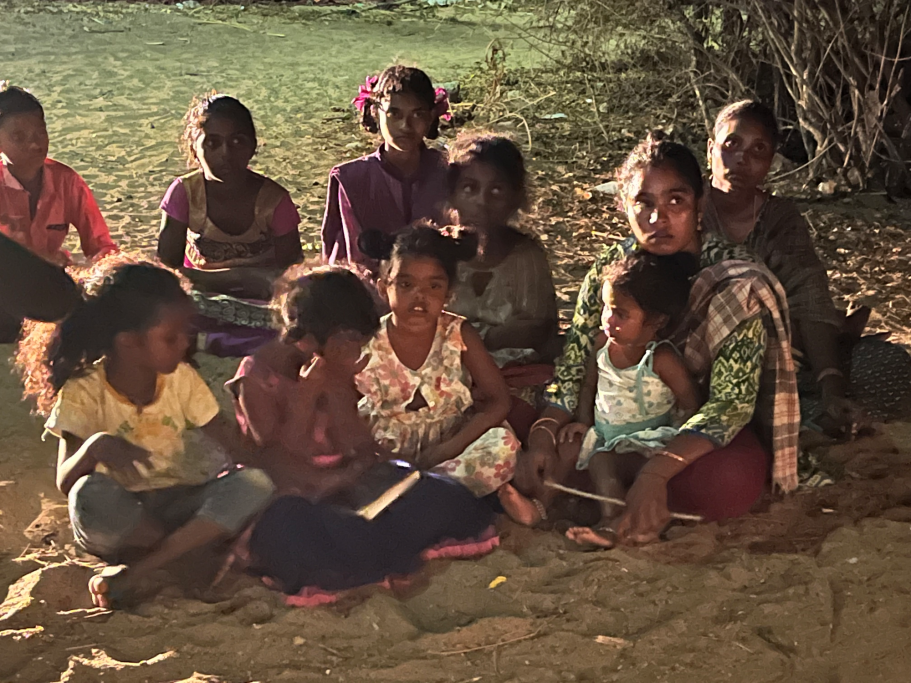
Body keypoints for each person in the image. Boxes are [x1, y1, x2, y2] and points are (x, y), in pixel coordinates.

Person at [516, 132, 799, 545]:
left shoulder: (736, 281)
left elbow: (728, 405)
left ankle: (617, 491)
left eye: (675, 201)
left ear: (700, 204)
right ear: (624, 206)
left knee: (729, 479)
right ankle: (616, 491)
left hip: (686, 438)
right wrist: (543, 434)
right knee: (521, 422)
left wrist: (656, 471)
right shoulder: (610, 272)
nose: (658, 218)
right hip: (605, 431)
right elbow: (575, 364)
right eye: (643, 203)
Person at [230, 265, 499, 601]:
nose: (356, 354)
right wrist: (307, 396)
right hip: (292, 493)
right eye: (349, 344)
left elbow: (353, 441)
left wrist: (365, 462)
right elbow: (276, 459)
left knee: (441, 496)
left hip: (345, 485)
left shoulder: (337, 366)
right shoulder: (256, 378)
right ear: (309, 340)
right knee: (298, 531)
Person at [27, 262, 274, 608]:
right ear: (129, 343)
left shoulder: (182, 380)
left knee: (256, 483)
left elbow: (233, 445)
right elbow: (66, 482)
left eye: (185, 332)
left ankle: (144, 568)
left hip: (181, 503)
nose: (185, 343)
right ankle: (181, 554)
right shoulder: (84, 391)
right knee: (89, 494)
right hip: (123, 518)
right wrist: (94, 448)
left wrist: (276, 466)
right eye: (171, 337)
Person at [704, 99, 911, 429]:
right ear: (710, 150)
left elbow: (809, 299)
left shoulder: (780, 218)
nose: (742, 158)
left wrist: (831, 387)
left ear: (770, 163)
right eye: (732, 144)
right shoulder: (683, 207)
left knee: (890, 364)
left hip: (784, 360)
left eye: (758, 149)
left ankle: (815, 411)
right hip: (700, 363)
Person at [356, 223, 542, 524]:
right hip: (390, 455)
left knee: (503, 447)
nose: (419, 297)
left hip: (455, 445)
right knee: (359, 469)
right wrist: (384, 456)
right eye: (406, 284)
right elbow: (346, 412)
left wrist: (447, 449)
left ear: (450, 293)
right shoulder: (368, 341)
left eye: (433, 286)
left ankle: (422, 496)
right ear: (383, 287)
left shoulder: (459, 334)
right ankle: (438, 498)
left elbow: (499, 401)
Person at [558, 251, 701, 548]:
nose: (608, 320)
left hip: (645, 442)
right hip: (604, 435)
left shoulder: (660, 359)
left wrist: (676, 444)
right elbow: (589, 385)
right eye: (606, 308)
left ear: (656, 320)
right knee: (569, 447)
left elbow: (691, 403)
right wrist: (582, 422)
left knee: (602, 463)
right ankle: (541, 506)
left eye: (621, 314)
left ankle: (612, 524)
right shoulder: (601, 344)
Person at [157, 93, 302, 356]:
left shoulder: (274, 201)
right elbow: (167, 270)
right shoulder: (184, 193)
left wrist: (231, 280)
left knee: (288, 323)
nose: (225, 154)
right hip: (202, 298)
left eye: (237, 141)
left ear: (253, 146)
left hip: (262, 301)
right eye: (212, 143)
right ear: (194, 147)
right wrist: (235, 278)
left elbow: (292, 275)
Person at [445, 133, 560, 439]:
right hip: (447, 378)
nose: (482, 201)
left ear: (515, 198)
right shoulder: (438, 256)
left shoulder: (527, 258)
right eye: (469, 188)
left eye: (496, 190)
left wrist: (469, 338)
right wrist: (494, 336)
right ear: (452, 194)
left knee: (509, 423)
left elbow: (535, 332)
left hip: (516, 380)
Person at [0, 83, 117, 341]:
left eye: (40, 133)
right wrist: (38, 259)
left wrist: (101, 274)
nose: (34, 144)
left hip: (48, 294)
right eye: (19, 137)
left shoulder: (67, 181)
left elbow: (101, 247)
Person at [321, 65, 451, 267]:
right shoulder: (350, 179)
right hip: (367, 284)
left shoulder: (450, 172)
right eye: (394, 113)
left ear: (431, 116)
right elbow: (342, 253)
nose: (405, 126)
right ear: (375, 112)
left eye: (417, 114)